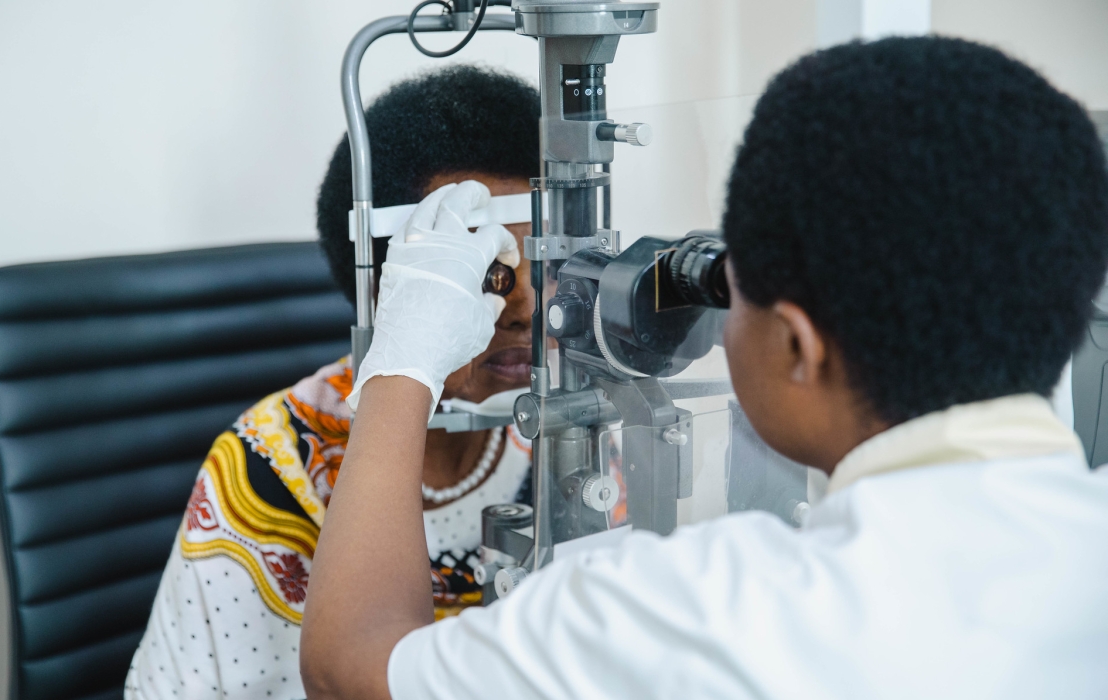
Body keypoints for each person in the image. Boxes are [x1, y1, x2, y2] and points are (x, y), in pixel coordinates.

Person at [298, 36, 1108, 700]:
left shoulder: (693, 611)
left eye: (732, 284)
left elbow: (350, 667)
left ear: (797, 345)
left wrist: (402, 358)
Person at [124, 65, 541, 700]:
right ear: (389, 286)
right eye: (488, 272)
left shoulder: (563, 432)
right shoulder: (267, 469)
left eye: (550, 264)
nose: (527, 309)